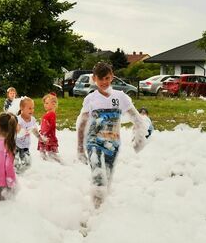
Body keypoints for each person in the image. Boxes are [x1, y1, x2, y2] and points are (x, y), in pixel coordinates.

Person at [77, 62, 147, 208]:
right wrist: (79, 147)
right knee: (98, 175)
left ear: (112, 77)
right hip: (94, 141)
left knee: (107, 177)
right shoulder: (91, 99)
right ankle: (96, 211)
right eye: (100, 79)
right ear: (94, 79)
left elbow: (136, 118)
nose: (104, 82)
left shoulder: (120, 97)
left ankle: (103, 209)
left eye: (107, 78)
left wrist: (140, 137)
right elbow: (83, 123)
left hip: (113, 143)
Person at [15, 97, 41, 174]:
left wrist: (39, 137)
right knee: (14, 163)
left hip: (25, 146)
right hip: (15, 145)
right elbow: (17, 130)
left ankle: (19, 173)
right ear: (21, 108)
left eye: (33, 108)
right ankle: (13, 174)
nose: (32, 110)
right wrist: (23, 131)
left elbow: (34, 129)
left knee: (28, 164)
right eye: (29, 108)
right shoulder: (18, 119)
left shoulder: (32, 119)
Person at [38, 92, 60, 162]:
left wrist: (45, 134)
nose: (45, 105)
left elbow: (52, 126)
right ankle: (46, 165)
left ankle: (61, 165)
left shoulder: (52, 114)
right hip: (44, 136)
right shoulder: (48, 113)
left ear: (53, 104)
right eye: (44, 103)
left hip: (48, 137)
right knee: (42, 153)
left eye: (47, 103)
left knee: (52, 154)